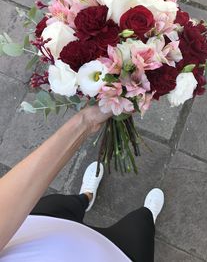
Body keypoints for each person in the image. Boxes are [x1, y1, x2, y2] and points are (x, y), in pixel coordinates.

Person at [0, 105, 164, 262]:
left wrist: (86, 120)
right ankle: (147, 213)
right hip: (118, 255)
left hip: (42, 227)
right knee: (141, 224)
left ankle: (86, 197)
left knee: (66, 203)